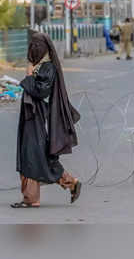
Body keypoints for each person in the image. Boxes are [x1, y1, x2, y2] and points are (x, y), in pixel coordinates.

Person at [11, 32, 82, 208]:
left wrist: (28, 77)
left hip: (39, 116)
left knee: (33, 153)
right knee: (37, 154)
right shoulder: (39, 66)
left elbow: (41, 91)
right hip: (31, 115)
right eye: (32, 45)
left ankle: (31, 198)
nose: (33, 49)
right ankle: (70, 182)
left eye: (37, 46)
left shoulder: (48, 67)